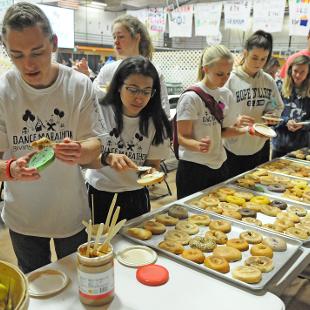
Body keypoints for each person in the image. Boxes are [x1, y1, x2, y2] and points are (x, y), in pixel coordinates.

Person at [0, 2, 104, 273]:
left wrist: (81, 151)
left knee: (77, 278)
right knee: (36, 283)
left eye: (37, 52)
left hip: (71, 213)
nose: (28, 64)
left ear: (54, 43)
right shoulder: (3, 91)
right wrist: (9, 169)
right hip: (22, 216)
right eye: (17, 55)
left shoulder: (78, 85)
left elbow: (96, 144)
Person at [85, 56, 172, 223]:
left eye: (147, 91)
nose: (140, 98)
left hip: (136, 194)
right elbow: (85, 159)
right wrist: (107, 158)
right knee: (99, 244)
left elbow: (152, 164)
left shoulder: (157, 122)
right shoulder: (100, 110)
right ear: (118, 86)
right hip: (99, 191)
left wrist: (153, 173)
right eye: (133, 89)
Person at [176, 45, 254, 199]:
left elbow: (223, 132)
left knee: (218, 209)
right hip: (194, 167)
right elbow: (180, 137)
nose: (225, 79)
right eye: (219, 74)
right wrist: (197, 145)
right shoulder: (191, 97)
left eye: (228, 73)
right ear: (205, 69)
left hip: (220, 164)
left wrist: (250, 130)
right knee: (190, 216)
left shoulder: (226, 94)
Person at [224, 30, 284, 178]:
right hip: (232, 147)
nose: (258, 63)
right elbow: (218, 109)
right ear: (245, 53)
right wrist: (234, 119)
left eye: (263, 59)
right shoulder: (230, 79)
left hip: (260, 145)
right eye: (255, 57)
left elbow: (277, 105)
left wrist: (272, 115)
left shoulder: (268, 81)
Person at [90, 14, 171, 118]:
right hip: (111, 131)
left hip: (144, 131)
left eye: (121, 36)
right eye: (114, 37)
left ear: (137, 37)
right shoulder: (107, 70)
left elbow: (163, 111)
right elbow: (93, 102)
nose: (116, 41)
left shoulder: (153, 71)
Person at [272, 55, 310, 158]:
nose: (298, 75)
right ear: (290, 70)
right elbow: (271, 116)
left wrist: (303, 125)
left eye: (303, 72)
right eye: (295, 71)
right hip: (280, 145)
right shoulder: (278, 89)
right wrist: (286, 121)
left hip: (302, 149)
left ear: (308, 73)